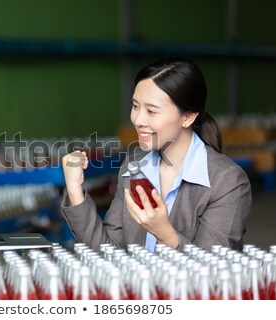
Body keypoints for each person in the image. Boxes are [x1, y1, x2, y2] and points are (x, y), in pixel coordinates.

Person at [60, 57, 252, 252]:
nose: (138, 119)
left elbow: (214, 271)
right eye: (135, 106)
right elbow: (109, 252)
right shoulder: (134, 166)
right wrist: (75, 191)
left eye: (151, 111)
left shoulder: (227, 181)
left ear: (188, 117)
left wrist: (166, 234)